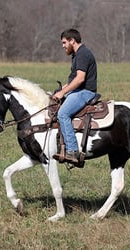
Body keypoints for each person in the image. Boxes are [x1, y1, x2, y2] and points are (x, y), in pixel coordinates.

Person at [53, 28, 97, 164]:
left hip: (85, 92)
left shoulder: (83, 53)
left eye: (64, 42)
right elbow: (72, 81)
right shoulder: (77, 55)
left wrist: (63, 92)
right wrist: (60, 91)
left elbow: (80, 79)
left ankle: (72, 151)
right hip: (78, 90)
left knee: (62, 114)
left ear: (72, 41)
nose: (63, 46)